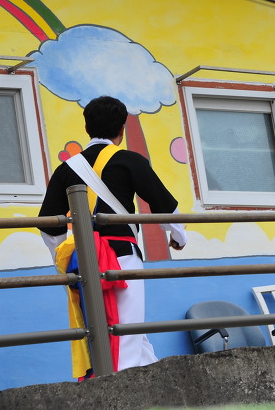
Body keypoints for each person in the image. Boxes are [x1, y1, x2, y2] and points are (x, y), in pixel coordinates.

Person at [38, 95, 187, 378]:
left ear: (86, 128)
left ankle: (152, 387)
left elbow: (48, 224)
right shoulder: (129, 160)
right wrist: (179, 237)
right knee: (127, 332)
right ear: (122, 128)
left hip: (84, 261)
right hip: (123, 257)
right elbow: (164, 204)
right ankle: (120, 392)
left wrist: (64, 255)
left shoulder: (66, 168)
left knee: (111, 331)